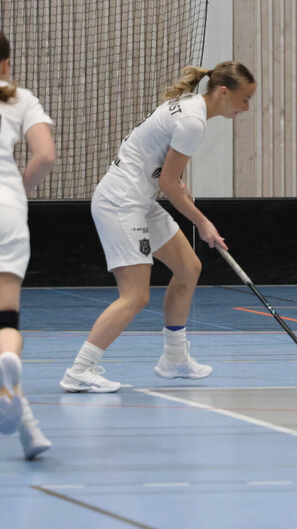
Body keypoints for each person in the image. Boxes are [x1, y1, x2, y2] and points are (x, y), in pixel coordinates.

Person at [60, 62, 256, 393]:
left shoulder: (191, 108)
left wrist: (179, 186)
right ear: (224, 92)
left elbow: (164, 170)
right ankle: (79, 370)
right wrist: (204, 223)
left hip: (140, 200)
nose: (246, 107)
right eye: (245, 99)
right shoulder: (193, 121)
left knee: (189, 268)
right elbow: (167, 183)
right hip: (122, 202)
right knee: (135, 295)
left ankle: (174, 359)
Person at [0, 32, 56, 459]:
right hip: (7, 211)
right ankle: (28, 427)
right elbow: (45, 156)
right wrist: (16, 194)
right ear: (6, 63)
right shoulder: (20, 99)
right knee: (6, 320)